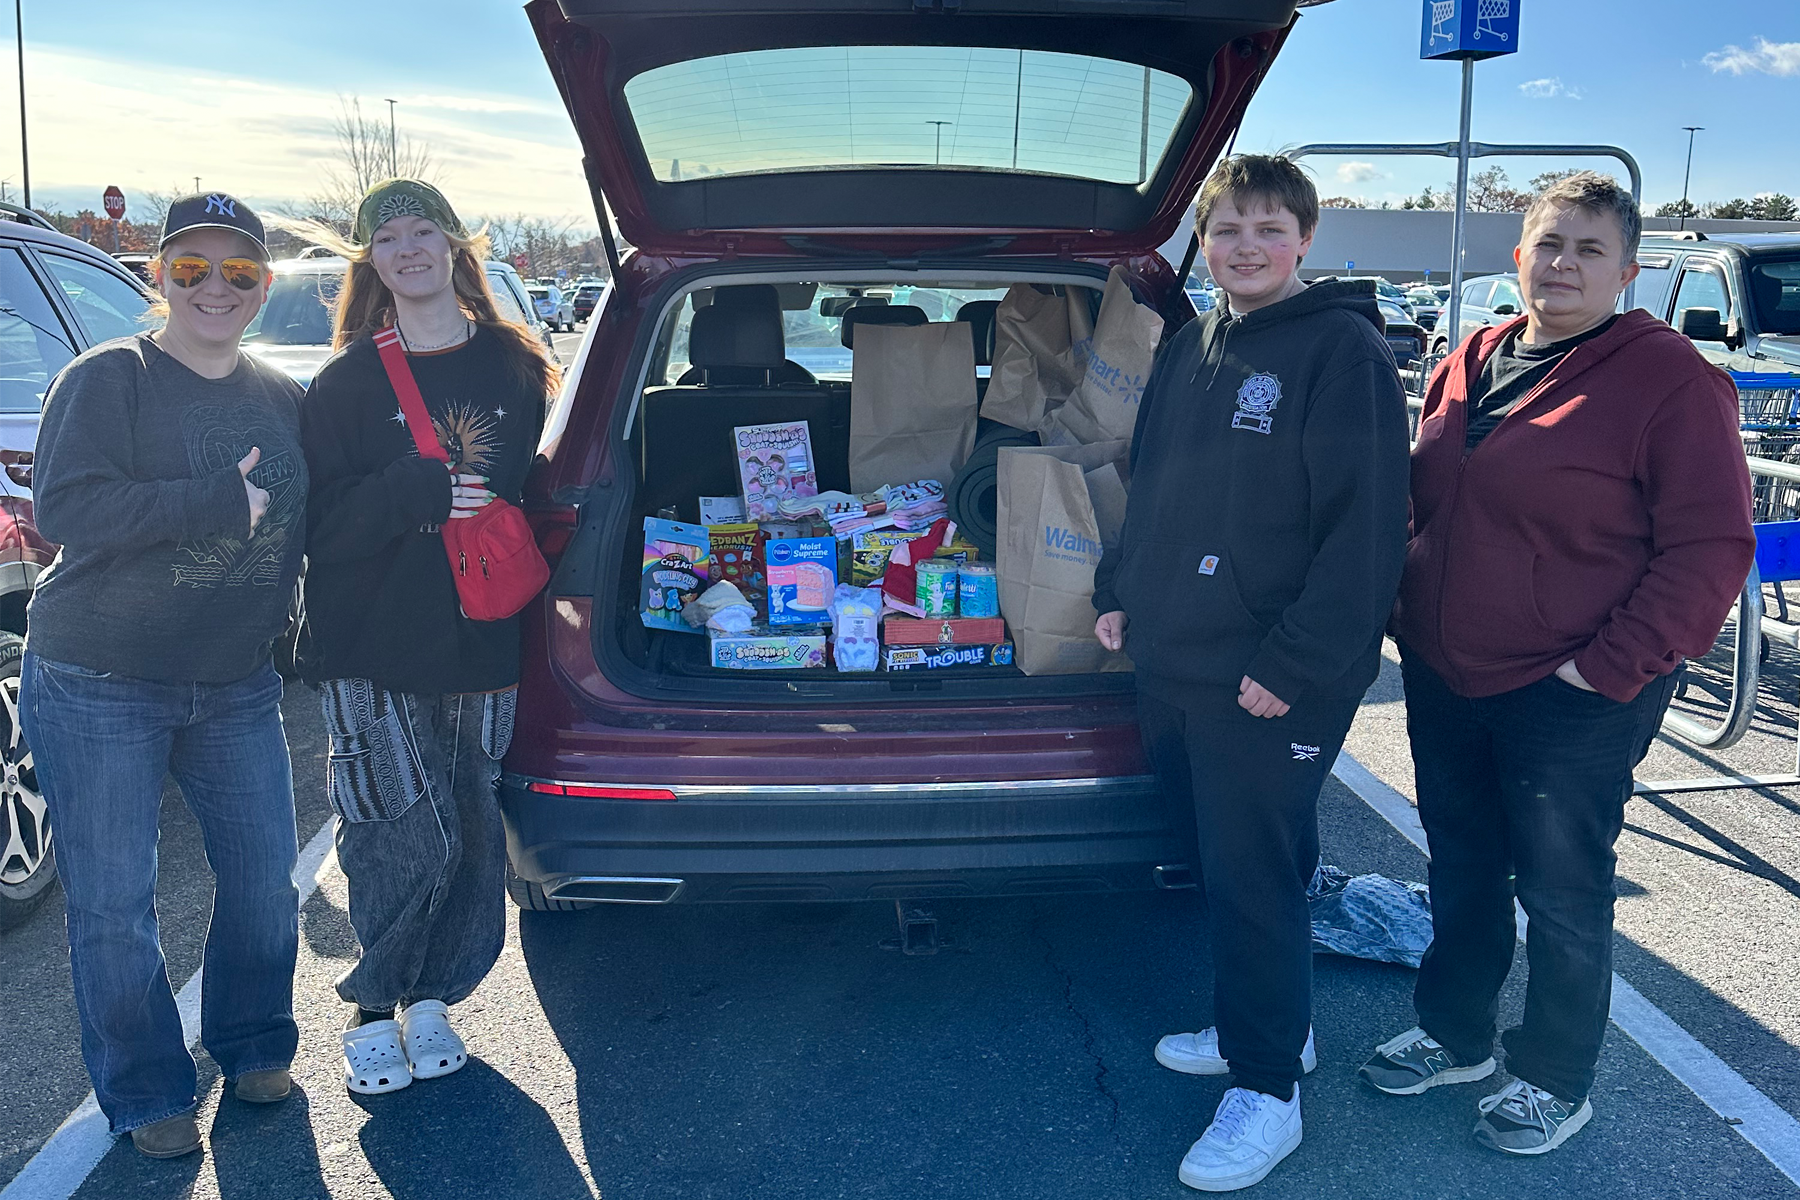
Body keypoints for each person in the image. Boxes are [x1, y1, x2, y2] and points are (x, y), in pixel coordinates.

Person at [1363, 172, 1756, 1154]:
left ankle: (1555, 1073)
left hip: (1572, 688)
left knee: (1562, 887)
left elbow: (1710, 547)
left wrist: (1608, 669)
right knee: (1460, 866)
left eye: (1589, 249)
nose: (1565, 265)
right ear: (1518, 258)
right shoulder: (1472, 357)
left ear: (1628, 270)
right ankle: (1456, 1035)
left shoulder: (1668, 377)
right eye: (1550, 244)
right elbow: (1429, 500)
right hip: (1449, 673)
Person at [1091, 155, 1410, 1191]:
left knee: (1256, 883)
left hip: (1270, 678)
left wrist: (1298, 663)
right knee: (1221, 864)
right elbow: (1157, 491)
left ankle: (1268, 1092)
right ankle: (1266, 1027)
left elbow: (1366, 533)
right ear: (1206, 241)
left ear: (1306, 240)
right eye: (1228, 229)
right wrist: (1117, 586)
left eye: (1268, 228)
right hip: (1177, 661)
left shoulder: (1342, 353)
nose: (1245, 247)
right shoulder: (1195, 342)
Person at [21, 193, 306, 1159]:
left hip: (234, 682)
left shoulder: (279, 394)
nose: (216, 289)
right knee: (112, 905)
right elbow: (66, 506)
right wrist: (220, 502)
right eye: (193, 270)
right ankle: (147, 1095)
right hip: (103, 677)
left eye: (238, 272)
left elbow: (318, 514)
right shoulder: (111, 377)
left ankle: (256, 1040)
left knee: (267, 881)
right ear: (159, 276)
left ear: (263, 285)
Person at [297, 180, 554, 1095]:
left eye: (424, 232)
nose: (409, 250)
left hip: (487, 632)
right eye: (388, 239)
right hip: (371, 640)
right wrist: (412, 492)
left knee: (473, 822)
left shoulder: (518, 364)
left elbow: (548, 495)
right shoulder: (346, 383)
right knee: (392, 823)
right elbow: (315, 528)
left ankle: (438, 994)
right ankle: (374, 1004)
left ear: (454, 246)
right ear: (370, 260)